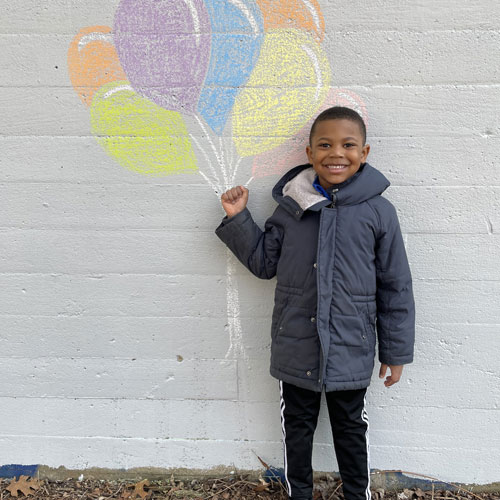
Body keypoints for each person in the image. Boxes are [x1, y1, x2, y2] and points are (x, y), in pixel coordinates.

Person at [215, 106, 415, 500]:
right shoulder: (292, 208)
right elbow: (263, 263)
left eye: (347, 145)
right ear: (309, 153)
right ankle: (299, 494)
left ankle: (358, 494)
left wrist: (396, 352)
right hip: (296, 345)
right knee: (298, 429)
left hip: (351, 347)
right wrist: (238, 218)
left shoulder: (378, 212)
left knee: (350, 429)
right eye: (324, 144)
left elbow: (396, 286)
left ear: (365, 152)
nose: (335, 153)